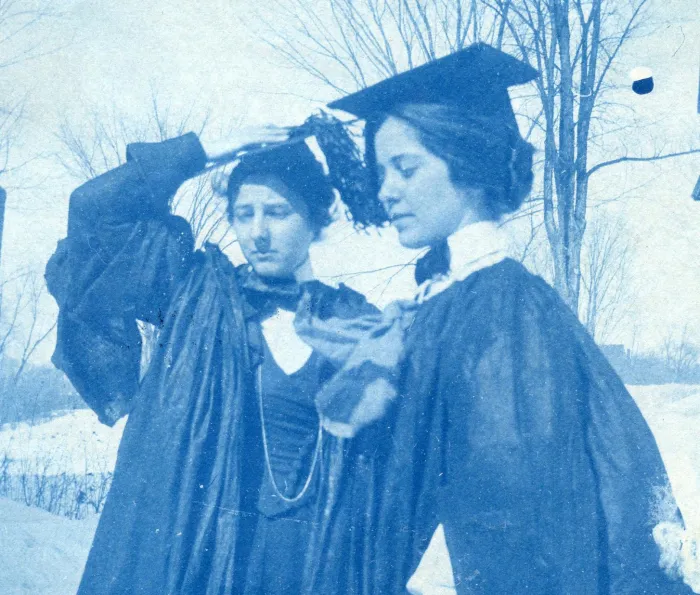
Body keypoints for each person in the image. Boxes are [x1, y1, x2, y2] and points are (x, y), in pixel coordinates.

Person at [298, 43, 694, 594]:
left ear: (467, 165)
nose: (386, 190)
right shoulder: (443, 302)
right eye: (380, 170)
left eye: (405, 168)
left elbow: (525, 533)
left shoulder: (503, 316)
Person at [44, 117, 380, 594]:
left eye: (278, 212)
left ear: (316, 218)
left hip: (308, 570)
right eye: (245, 214)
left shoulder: (354, 322)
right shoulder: (197, 293)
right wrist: (205, 151)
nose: (258, 232)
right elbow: (94, 211)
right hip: (205, 562)